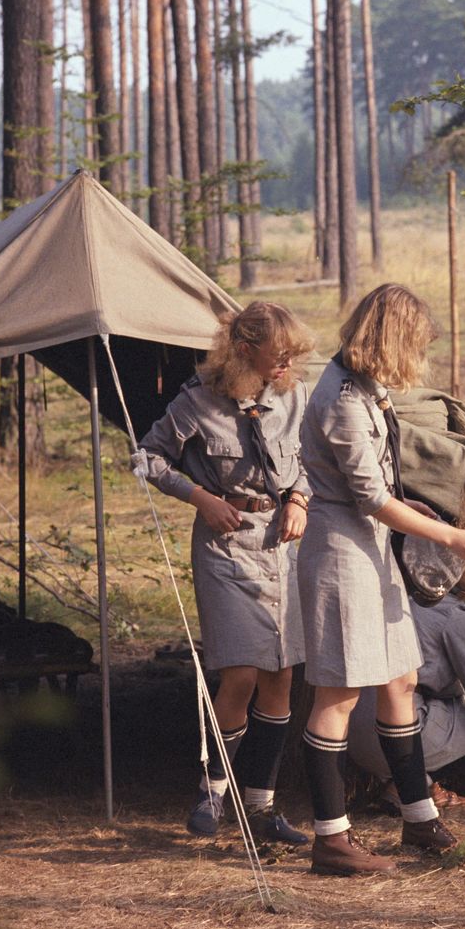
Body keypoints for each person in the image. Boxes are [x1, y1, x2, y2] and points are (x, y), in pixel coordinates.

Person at [298, 284, 465, 875]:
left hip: (372, 554)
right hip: (340, 556)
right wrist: (448, 536)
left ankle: (418, 819)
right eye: (415, 346)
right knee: (338, 694)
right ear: (390, 339)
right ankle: (331, 839)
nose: (420, 360)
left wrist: (421, 516)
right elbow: (371, 497)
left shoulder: (369, 393)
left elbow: (387, 491)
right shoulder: (341, 400)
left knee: (400, 680)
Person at [137, 301, 314, 846]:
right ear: (244, 350)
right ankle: (213, 788)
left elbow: (311, 458)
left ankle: (261, 805)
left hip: (282, 547)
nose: (287, 362)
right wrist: (200, 498)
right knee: (239, 672)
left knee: (281, 674)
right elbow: (147, 458)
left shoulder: (294, 397)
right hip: (225, 546)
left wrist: (300, 498)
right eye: (277, 353)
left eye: (292, 354)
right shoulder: (197, 403)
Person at [347, 568, 465, 802]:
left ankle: (408, 784)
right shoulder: (457, 616)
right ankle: (406, 788)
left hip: (354, 735)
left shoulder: (413, 601)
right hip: (397, 738)